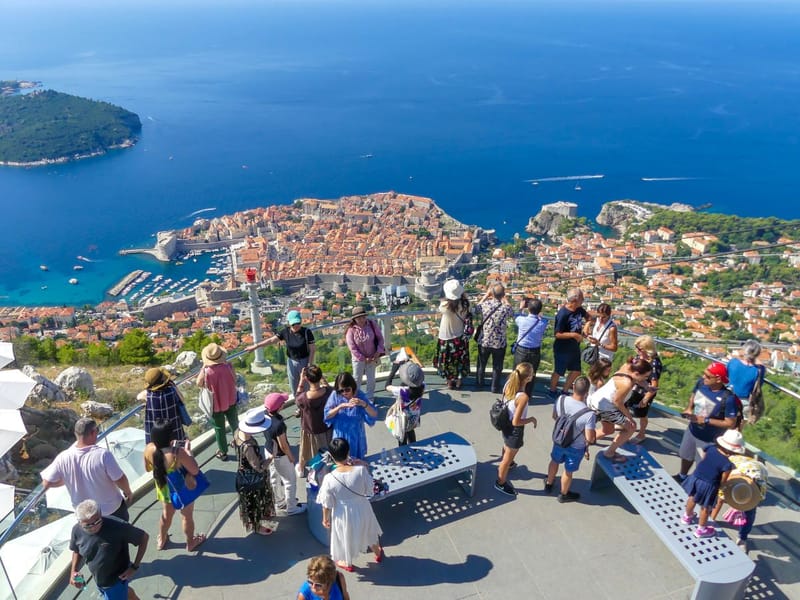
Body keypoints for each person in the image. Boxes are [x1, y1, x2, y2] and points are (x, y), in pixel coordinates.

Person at [41, 417, 132, 522]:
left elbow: (46, 483)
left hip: (85, 516)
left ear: (76, 433)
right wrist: (128, 492)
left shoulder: (63, 457)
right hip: (111, 510)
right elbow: (119, 478)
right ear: (93, 432)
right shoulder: (103, 455)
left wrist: (66, 480)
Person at [316, 437, 383, 572]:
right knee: (369, 531)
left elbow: (327, 503)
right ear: (348, 452)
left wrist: (325, 519)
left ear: (332, 456)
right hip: (362, 507)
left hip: (342, 512)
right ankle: (377, 553)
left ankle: (347, 562)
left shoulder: (329, 478)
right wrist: (363, 465)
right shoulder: (360, 470)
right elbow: (369, 490)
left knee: (344, 537)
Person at [143, 419, 206, 552]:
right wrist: (189, 452)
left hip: (164, 488)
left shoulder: (148, 449)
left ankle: (162, 539)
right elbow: (194, 470)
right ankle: (190, 543)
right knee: (186, 516)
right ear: (171, 438)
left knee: (166, 515)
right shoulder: (178, 453)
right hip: (180, 490)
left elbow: (148, 469)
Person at [69, 499, 148, 600]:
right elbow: (76, 550)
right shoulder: (76, 531)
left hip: (116, 580)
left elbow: (144, 537)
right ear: (80, 522)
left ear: (101, 514)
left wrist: (134, 567)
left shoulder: (118, 526)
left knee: (118, 593)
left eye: (97, 521)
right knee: (125, 593)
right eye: (88, 526)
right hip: (99, 579)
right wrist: (74, 571)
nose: (94, 527)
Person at [676, 361, 738, 482]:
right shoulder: (701, 383)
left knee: (703, 465)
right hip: (692, 429)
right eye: (704, 374)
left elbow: (730, 423)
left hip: (708, 439)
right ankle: (682, 475)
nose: (704, 377)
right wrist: (689, 408)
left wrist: (706, 420)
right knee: (686, 454)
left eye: (708, 376)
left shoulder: (728, 398)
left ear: (719, 379)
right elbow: (693, 395)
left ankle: (694, 484)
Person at [587, 357, 653, 462]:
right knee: (631, 427)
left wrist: (647, 387)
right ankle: (610, 452)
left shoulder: (627, 367)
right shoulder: (626, 384)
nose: (646, 379)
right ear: (636, 373)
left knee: (608, 430)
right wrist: (629, 418)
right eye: (645, 377)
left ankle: (583, 440)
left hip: (596, 401)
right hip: (605, 408)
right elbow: (617, 402)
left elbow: (637, 379)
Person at [680, 429, 744, 538]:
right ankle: (701, 529)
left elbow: (704, 459)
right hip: (709, 485)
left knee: (692, 497)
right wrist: (723, 488)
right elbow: (723, 480)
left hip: (696, 477)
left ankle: (687, 517)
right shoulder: (727, 464)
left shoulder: (710, 448)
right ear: (733, 451)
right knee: (706, 507)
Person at [544, 376, 596, 503]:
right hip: (576, 447)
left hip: (559, 440)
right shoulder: (589, 414)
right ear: (587, 392)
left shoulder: (561, 399)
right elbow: (590, 438)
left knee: (554, 461)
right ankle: (563, 494)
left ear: (573, 387)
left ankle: (549, 484)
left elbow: (554, 416)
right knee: (568, 471)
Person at [247, 310, 316, 403]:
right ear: (289, 323)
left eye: (298, 323)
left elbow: (312, 349)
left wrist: (309, 364)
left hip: (305, 361)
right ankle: (299, 405)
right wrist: (256, 346)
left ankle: (308, 404)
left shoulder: (307, 332)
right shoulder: (285, 332)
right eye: (293, 324)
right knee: (294, 385)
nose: (296, 326)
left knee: (307, 385)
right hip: (291, 362)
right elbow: (271, 340)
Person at [494, 363, 538, 497]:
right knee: (507, 458)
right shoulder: (523, 397)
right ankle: (500, 482)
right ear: (527, 378)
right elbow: (517, 421)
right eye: (531, 374)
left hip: (505, 423)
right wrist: (531, 419)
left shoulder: (509, 384)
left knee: (506, 446)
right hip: (514, 430)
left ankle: (509, 463)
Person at [711, 451, 768, 551]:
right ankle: (711, 519)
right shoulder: (728, 475)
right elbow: (719, 499)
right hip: (737, 466)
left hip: (755, 471)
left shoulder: (759, 484)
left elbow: (750, 498)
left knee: (749, 513)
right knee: (719, 499)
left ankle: (742, 538)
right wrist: (711, 521)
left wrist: (740, 503)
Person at [233, 407, 275, 536]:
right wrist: (271, 457)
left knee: (253, 501)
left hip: (243, 474)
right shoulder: (248, 447)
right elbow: (258, 467)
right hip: (252, 478)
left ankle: (262, 516)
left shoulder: (238, 432)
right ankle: (256, 525)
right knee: (254, 502)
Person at [263, 392, 306, 515]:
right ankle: (291, 507)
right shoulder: (279, 425)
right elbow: (283, 445)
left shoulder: (265, 415)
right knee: (289, 481)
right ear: (280, 407)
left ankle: (279, 501)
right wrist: (291, 457)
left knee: (274, 478)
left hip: (269, 451)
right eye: (283, 402)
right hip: (281, 456)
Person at [196, 342, 238, 461]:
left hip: (215, 404)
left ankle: (223, 451)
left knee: (219, 429)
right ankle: (240, 444)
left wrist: (203, 368)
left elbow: (198, 383)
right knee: (234, 423)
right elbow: (235, 379)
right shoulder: (228, 367)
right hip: (230, 399)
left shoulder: (207, 371)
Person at [324, 372, 378, 460]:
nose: (344, 393)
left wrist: (363, 404)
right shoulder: (335, 395)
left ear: (352, 387)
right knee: (341, 462)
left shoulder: (360, 395)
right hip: (340, 437)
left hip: (356, 437)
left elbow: (374, 414)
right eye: (341, 390)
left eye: (347, 390)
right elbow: (327, 415)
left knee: (357, 462)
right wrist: (339, 407)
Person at [547, 288, 589, 400]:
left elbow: (589, 317)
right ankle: (552, 390)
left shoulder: (579, 309)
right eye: (582, 298)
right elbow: (557, 334)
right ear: (575, 300)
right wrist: (574, 335)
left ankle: (564, 391)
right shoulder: (563, 314)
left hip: (574, 347)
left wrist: (586, 326)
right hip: (562, 347)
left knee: (576, 371)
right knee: (559, 371)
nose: (583, 300)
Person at [475, 282, 515, 393]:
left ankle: (479, 384)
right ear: (503, 294)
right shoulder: (505, 307)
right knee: (497, 366)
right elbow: (512, 312)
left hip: (485, 340)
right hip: (499, 342)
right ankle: (494, 387)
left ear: (492, 293)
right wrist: (505, 299)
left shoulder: (485, 305)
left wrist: (485, 296)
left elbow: (475, 309)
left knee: (481, 364)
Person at [295, 365, 334, 477]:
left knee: (304, 451)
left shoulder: (304, 398)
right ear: (320, 376)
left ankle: (301, 469)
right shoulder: (328, 392)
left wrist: (301, 381)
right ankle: (329, 469)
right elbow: (330, 389)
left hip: (310, 430)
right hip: (326, 428)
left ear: (307, 378)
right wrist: (324, 380)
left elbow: (297, 397)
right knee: (328, 451)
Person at [433, 279, 471, 390]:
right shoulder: (466, 304)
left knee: (446, 361)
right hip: (459, 337)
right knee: (459, 360)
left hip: (445, 338)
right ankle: (459, 382)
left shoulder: (444, 306)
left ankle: (449, 382)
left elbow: (440, 305)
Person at [344, 306, 385, 402]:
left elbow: (380, 338)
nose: (361, 320)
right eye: (359, 318)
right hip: (358, 359)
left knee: (371, 379)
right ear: (354, 319)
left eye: (363, 317)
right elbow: (352, 348)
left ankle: (370, 397)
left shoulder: (371, 325)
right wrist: (363, 358)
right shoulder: (351, 330)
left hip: (372, 356)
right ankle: (355, 398)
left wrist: (377, 352)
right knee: (357, 379)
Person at [628, 335, 663, 444]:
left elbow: (654, 384)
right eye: (636, 348)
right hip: (634, 388)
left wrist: (645, 399)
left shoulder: (654, 363)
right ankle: (626, 425)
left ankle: (641, 434)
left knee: (642, 414)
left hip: (644, 392)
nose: (637, 350)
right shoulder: (640, 357)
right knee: (626, 406)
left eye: (639, 349)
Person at [512, 297, 549, 397]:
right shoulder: (543, 323)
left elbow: (515, 316)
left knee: (517, 373)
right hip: (535, 351)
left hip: (521, 350)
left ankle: (514, 393)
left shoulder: (521, 320)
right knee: (531, 374)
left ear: (528, 308)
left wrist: (520, 308)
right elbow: (543, 319)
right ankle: (527, 395)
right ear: (540, 310)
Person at [142, 367, 187, 445]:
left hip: (157, 438)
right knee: (178, 451)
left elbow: (138, 396)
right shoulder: (171, 391)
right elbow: (182, 399)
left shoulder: (149, 396)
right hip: (175, 432)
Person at [727, 339, 766, 426]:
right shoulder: (759, 370)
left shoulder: (733, 362)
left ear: (744, 350)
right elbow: (759, 385)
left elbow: (726, 376)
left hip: (727, 396)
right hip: (743, 402)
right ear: (757, 354)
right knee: (737, 429)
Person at [386, 362, 425, 446]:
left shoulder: (402, 391)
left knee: (402, 438)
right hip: (414, 417)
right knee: (411, 432)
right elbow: (418, 381)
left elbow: (387, 386)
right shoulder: (422, 386)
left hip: (402, 419)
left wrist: (394, 369)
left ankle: (404, 457)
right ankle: (414, 449)